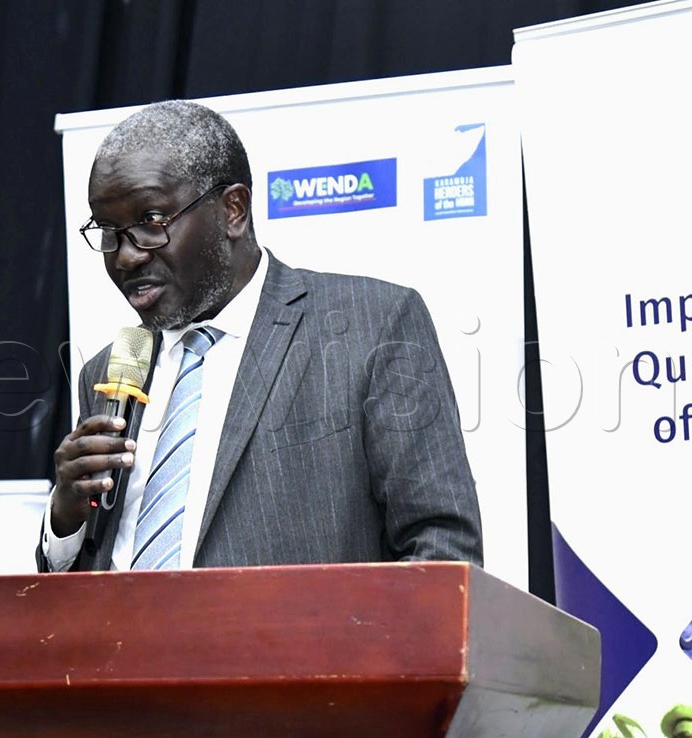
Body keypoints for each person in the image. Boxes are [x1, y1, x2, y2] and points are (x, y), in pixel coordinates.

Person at [38, 99, 482, 572]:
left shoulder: (372, 326)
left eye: (151, 222)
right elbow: (80, 581)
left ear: (234, 210)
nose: (126, 256)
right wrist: (66, 518)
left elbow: (441, 550)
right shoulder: (108, 373)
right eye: (109, 231)